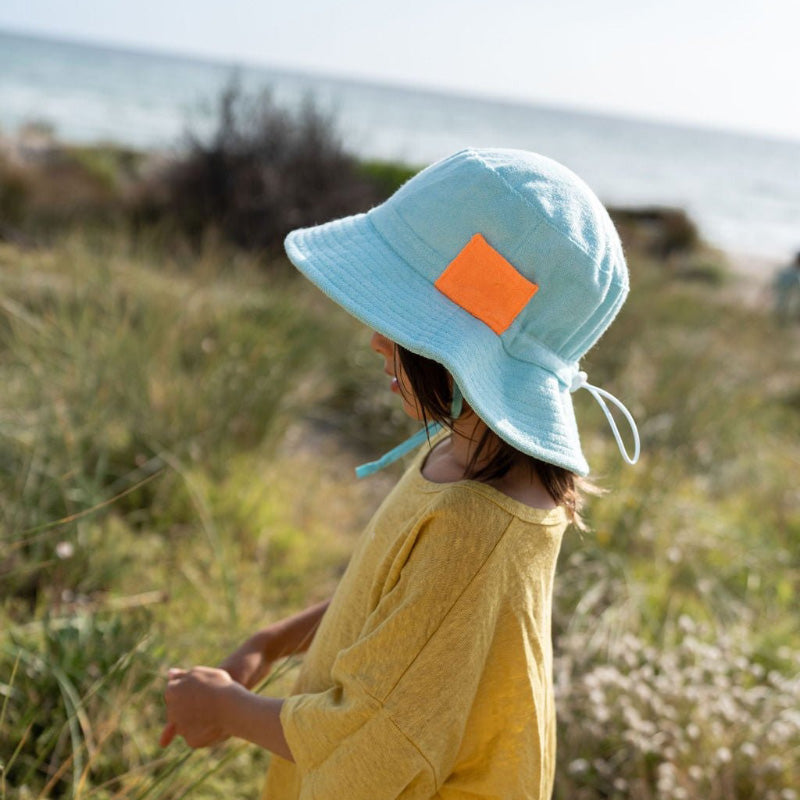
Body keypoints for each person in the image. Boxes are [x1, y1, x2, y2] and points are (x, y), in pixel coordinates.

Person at [160, 147, 640, 799]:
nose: (377, 340)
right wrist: (273, 641)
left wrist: (224, 709)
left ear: (465, 352)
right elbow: (402, 611)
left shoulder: (477, 523)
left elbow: (373, 743)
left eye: (402, 322)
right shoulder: (463, 455)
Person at [773, 251, 800, 324]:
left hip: (781, 300)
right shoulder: (795, 274)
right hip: (787, 303)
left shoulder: (785, 270)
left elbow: (775, 284)